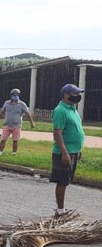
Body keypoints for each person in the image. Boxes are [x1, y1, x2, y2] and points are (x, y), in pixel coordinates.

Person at [51, 84, 85, 217]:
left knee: (66, 180)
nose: (77, 96)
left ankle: (61, 209)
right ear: (66, 95)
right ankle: (60, 210)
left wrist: (78, 149)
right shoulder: (60, 110)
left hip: (73, 150)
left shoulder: (73, 109)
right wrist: (64, 153)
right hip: (63, 152)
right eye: (74, 94)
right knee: (62, 181)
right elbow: (57, 133)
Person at [0, 88, 35, 155]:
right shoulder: (6, 103)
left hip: (16, 125)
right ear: (11, 95)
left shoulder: (22, 104)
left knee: (15, 140)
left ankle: (14, 153)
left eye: (17, 94)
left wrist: (32, 123)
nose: (15, 96)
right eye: (14, 94)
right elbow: (1, 112)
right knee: (3, 139)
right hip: (7, 125)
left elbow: (28, 113)